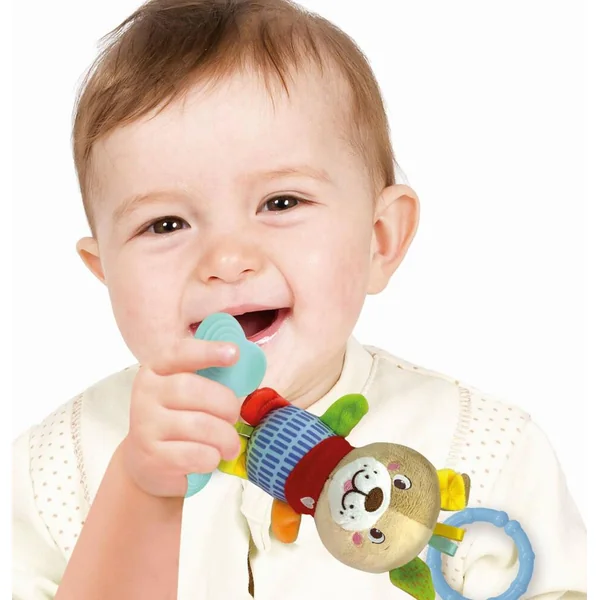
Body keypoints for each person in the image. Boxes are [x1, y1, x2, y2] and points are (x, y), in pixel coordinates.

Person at [11, 0, 586, 598]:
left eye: (281, 203)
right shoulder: (53, 471)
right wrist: (138, 492)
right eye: (165, 224)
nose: (226, 260)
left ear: (379, 238)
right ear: (105, 271)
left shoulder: (484, 452)